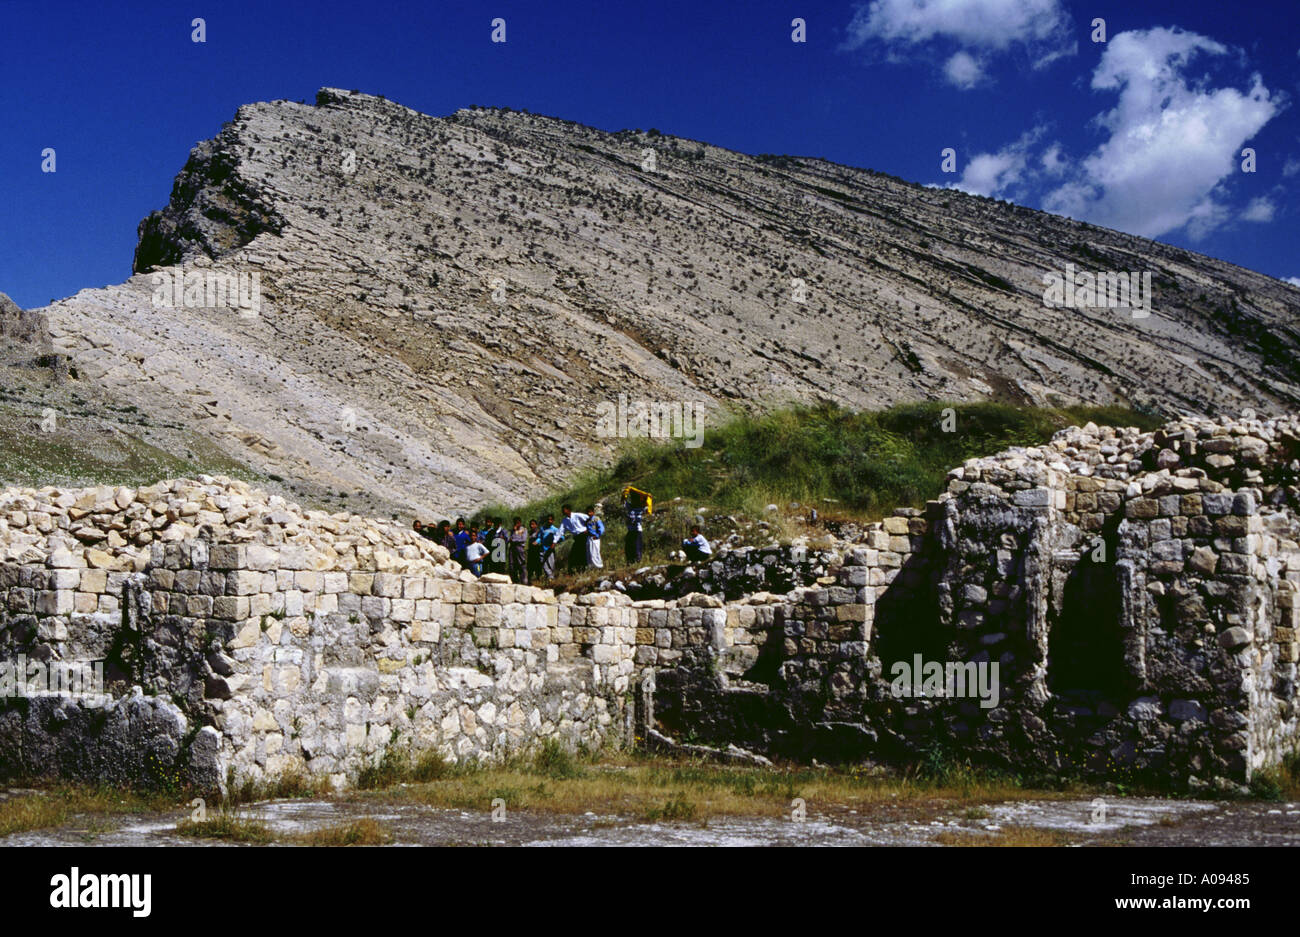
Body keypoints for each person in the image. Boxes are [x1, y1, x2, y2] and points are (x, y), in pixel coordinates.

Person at [560, 504, 589, 573]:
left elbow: (588, 518)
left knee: (583, 552)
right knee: (574, 554)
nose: (563, 511)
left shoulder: (577, 515)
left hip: (584, 535)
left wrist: (588, 529)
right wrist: (555, 541)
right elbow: (560, 531)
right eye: (562, 510)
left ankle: (584, 569)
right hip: (577, 537)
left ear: (568, 510)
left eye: (564, 510)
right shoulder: (565, 521)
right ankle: (575, 570)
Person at [538, 513, 563, 580]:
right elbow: (539, 537)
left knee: (551, 565)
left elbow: (561, 537)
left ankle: (552, 579)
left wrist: (556, 542)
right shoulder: (542, 529)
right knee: (544, 564)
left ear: (553, 520)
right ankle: (549, 578)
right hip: (542, 549)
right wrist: (537, 542)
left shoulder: (554, 529)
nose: (549, 521)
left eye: (551, 520)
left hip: (550, 550)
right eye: (548, 519)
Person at [623, 495, 646, 564]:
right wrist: (625, 494)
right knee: (628, 547)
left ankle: (637, 561)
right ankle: (630, 561)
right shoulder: (630, 507)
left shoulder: (641, 508)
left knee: (636, 546)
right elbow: (623, 502)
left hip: (637, 530)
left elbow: (648, 506)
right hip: (630, 530)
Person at [508, 516, 529, 584]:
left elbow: (523, 539)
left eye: (517, 523)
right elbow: (510, 538)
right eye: (515, 523)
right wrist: (514, 531)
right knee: (512, 565)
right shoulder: (513, 530)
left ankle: (524, 581)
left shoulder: (523, 529)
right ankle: (515, 580)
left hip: (520, 548)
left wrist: (514, 540)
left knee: (521, 564)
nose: (516, 524)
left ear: (520, 522)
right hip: (512, 549)